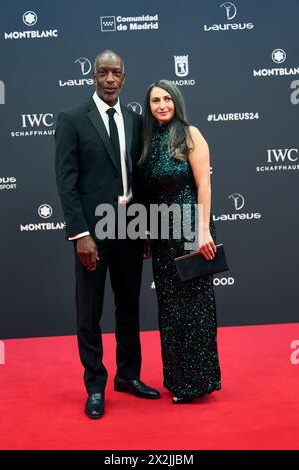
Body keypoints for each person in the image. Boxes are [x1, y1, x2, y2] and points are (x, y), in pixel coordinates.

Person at [55, 50, 160, 419]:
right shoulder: (71, 120)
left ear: (124, 77)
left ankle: (128, 376)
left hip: (130, 231)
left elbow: (139, 180)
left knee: (129, 307)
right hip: (92, 234)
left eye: (116, 73)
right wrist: (80, 233)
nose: (110, 79)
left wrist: (146, 228)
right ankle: (95, 385)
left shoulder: (134, 120)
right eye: (104, 72)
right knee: (90, 312)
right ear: (94, 76)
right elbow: (66, 183)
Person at [139, 80, 221, 404]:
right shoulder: (148, 142)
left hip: (190, 231)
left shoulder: (191, 134)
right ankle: (176, 380)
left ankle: (199, 382)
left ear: (177, 102)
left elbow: (204, 186)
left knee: (196, 309)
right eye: (155, 100)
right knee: (170, 311)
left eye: (167, 99)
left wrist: (203, 231)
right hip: (161, 234)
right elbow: (148, 194)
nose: (161, 105)